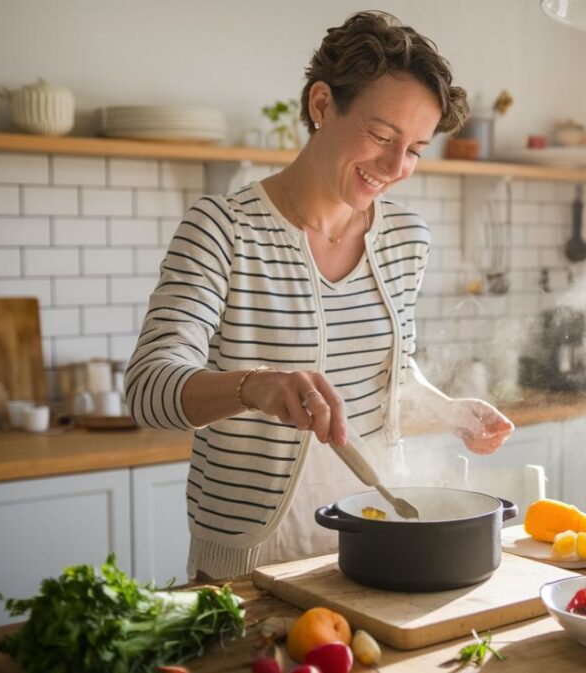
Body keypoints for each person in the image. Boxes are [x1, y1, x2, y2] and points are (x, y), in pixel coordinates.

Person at [125, 10, 515, 581]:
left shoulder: (406, 239)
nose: (394, 166)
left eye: (414, 149)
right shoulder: (223, 229)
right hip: (252, 562)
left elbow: (390, 375)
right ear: (322, 105)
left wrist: (449, 411)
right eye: (382, 136)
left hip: (381, 536)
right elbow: (148, 390)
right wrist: (254, 386)